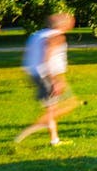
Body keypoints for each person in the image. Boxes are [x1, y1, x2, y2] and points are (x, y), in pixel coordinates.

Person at [15, 13, 79, 145]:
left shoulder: (37, 34)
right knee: (60, 106)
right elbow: (47, 56)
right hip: (47, 75)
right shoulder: (55, 36)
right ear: (62, 24)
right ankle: (39, 127)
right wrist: (54, 80)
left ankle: (53, 137)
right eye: (69, 22)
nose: (72, 24)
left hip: (36, 74)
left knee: (55, 106)